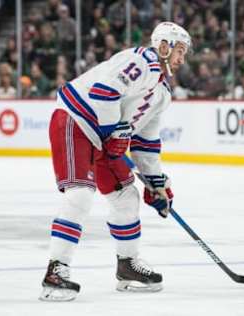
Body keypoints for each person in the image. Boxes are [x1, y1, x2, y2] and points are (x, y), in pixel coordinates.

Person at [40, 21, 191, 301]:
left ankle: (127, 266)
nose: (182, 58)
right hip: (77, 121)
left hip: (104, 137)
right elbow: (103, 92)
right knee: (80, 195)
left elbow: (145, 143)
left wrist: (156, 182)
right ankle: (55, 271)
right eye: (180, 50)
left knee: (126, 197)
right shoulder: (142, 61)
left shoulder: (162, 94)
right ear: (164, 46)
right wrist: (114, 132)